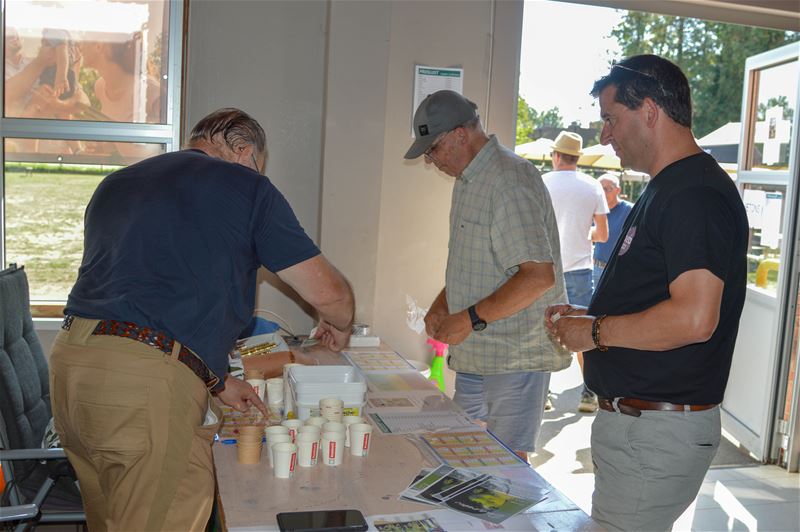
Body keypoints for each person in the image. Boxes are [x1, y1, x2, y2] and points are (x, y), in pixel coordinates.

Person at [49, 108, 355, 531]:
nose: (256, 174)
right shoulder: (246, 186)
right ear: (244, 151)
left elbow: (142, 303)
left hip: (71, 370)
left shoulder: (116, 183)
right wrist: (340, 323)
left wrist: (217, 381)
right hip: (142, 389)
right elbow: (330, 294)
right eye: (257, 165)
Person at [545, 55, 748, 531]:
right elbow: (657, 301)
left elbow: (695, 318)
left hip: (654, 431)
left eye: (611, 119)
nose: (604, 136)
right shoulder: (669, 187)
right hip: (641, 428)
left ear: (650, 110)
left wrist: (596, 331)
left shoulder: (694, 194)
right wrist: (588, 317)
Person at [406, 90, 569, 461]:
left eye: (434, 149)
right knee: (464, 456)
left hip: (514, 356)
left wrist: (468, 318)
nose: (431, 160)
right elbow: (479, 264)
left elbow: (537, 276)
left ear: (460, 135)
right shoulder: (469, 180)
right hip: (478, 354)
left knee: (506, 467)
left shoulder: (509, 180)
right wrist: (444, 303)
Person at [543, 131, 608, 414]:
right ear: (577, 158)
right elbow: (602, 235)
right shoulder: (593, 186)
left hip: (546, 270)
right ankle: (589, 394)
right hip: (581, 269)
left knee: (543, 330)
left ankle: (543, 394)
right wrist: (582, 232)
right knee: (585, 332)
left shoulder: (542, 182)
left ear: (557, 156)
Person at [592, 173, 633, 288]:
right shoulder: (595, 210)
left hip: (620, 270)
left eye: (607, 189)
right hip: (597, 269)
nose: (603, 193)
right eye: (600, 189)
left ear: (618, 190)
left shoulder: (630, 210)